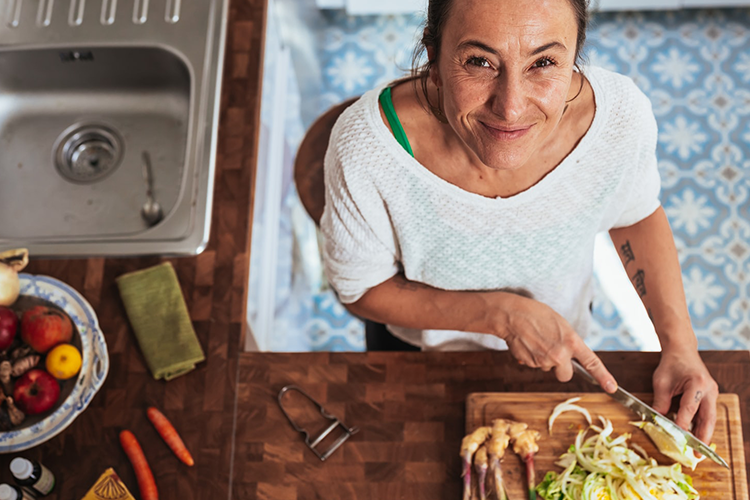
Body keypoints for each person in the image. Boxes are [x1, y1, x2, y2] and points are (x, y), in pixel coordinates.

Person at [320, 0, 719, 443]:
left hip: (558, 348)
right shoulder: (366, 148)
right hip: (420, 355)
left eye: (544, 62)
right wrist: (502, 316)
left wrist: (680, 346)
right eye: (479, 62)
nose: (510, 108)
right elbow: (361, 289)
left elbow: (636, 214)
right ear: (432, 58)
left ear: (574, 58)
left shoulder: (619, 120)